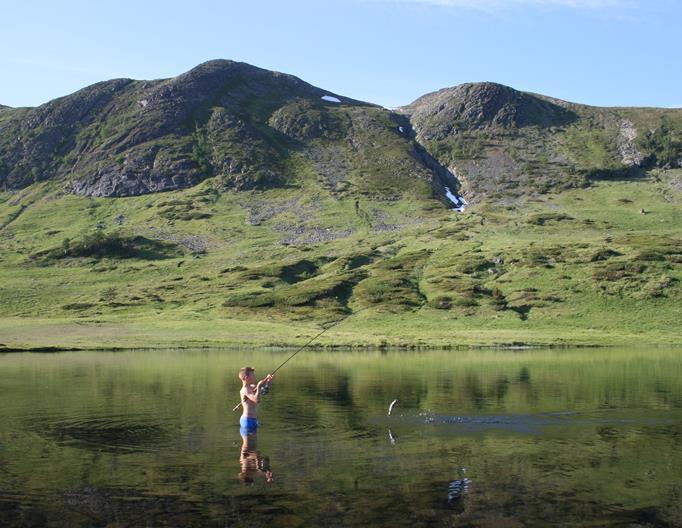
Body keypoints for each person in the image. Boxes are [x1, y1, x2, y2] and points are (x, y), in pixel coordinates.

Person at [238, 367, 273, 435]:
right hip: (247, 421)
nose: (254, 376)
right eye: (252, 375)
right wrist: (259, 387)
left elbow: (264, 392)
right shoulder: (245, 390)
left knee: (253, 445)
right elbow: (257, 400)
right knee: (247, 445)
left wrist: (267, 381)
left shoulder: (252, 387)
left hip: (253, 420)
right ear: (246, 377)